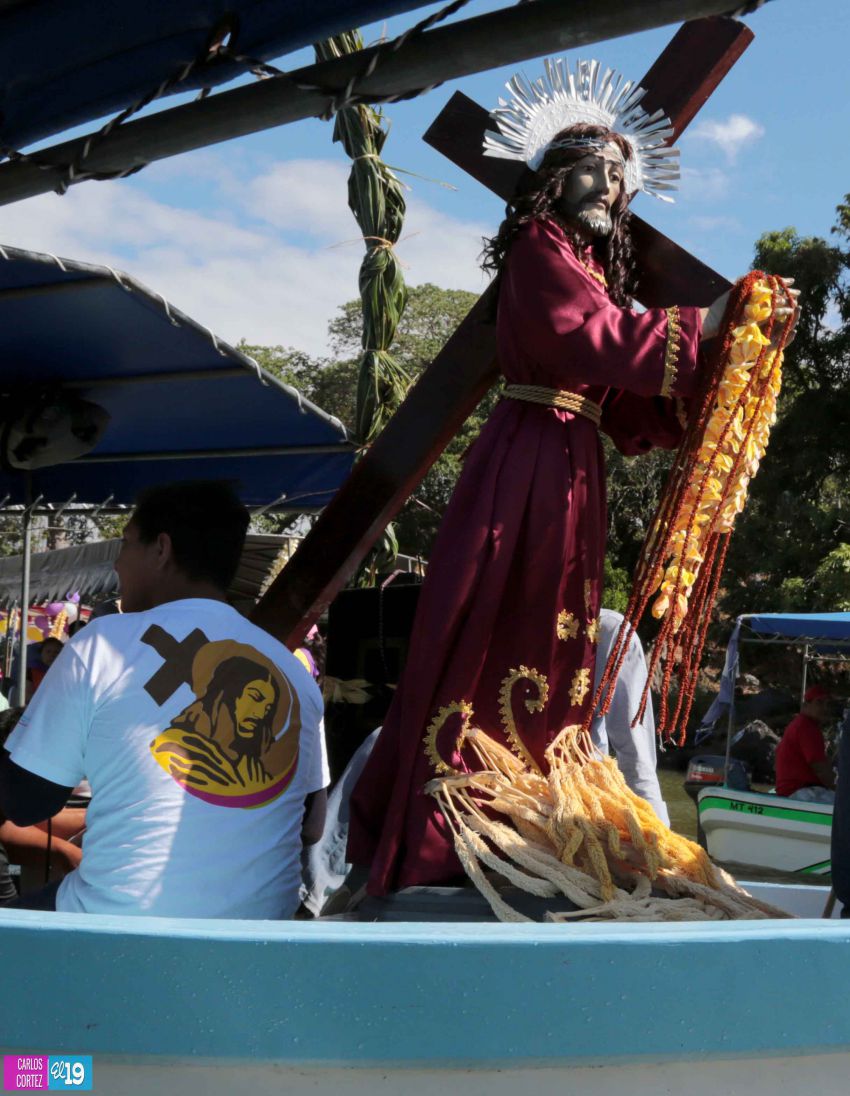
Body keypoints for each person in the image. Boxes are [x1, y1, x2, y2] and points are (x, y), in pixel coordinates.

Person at [347, 57, 782, 895]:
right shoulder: (541, 251)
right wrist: (705, 322)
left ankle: (538, 792)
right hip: (526, 459)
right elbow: (594, 339)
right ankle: (459, 811)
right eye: (595, 168)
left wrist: (720, 374)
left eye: (620, 178)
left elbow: (621, 399)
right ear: (553, 174)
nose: (610, 187)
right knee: (498, 618)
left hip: (572, 460)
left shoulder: (594, 274)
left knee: (561, 638)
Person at [0, 480, 328, 917]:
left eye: (126, 544)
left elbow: (23, 803)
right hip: (260, 936)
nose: (117, 564)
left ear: (161, 549)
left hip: (117, 926)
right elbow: (313, 825)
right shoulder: (292, 671)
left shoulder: (104, 641)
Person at [774, 684, 835, 803]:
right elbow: (820, 769)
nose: (824, 708)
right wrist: (838, 788)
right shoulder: (807, 727)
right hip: (799, 791)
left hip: (792, 791)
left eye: (827, 704)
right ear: (805, 705)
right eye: (819, 702)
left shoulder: (798, 724)